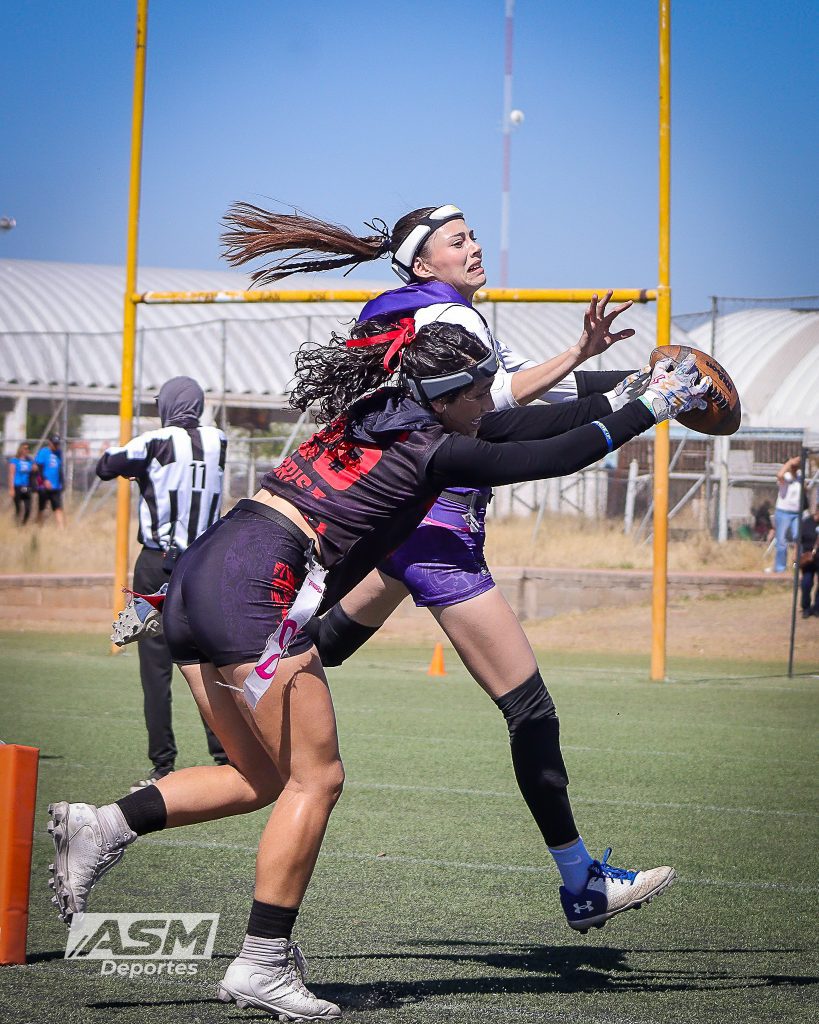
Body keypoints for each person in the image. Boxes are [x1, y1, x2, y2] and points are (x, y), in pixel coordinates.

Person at [48, 316, 708, 1021]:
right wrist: (654, 406)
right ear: (446, 397)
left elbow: (516, 428)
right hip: (253, 583)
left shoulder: (381, 409)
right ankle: (261, 963)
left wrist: (624, 392)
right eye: (479, 390)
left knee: (256, 776)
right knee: (318, 778)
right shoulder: (431, 449)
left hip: (205, 570)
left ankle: (105, 825)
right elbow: (551, 457)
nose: (488, 402)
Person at [223, 201, 661, 924]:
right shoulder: (448, 318)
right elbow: (503, 414)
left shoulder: (418, 313)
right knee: (528, 707)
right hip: (438, 520)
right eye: (459, 240)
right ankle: (579, 879)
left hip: (405, 512)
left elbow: (508, 392)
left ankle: (231, 706)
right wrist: (642, 399)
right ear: (423, 262)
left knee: (325, 639)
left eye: (473, 234)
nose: (475, 246)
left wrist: (607, 372)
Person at [95, 376, 229, 790]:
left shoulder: (155, 441)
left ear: (167, 405)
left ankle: (162, 764)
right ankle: (227, 756)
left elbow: (106, 465)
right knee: (209, 661)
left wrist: (139, 472)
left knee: (155, 667)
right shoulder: (219, 440)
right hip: (202, 565)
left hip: (157, 564)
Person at [772, 456, 802, 572]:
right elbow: (779, 475)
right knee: (781, 541)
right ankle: (780, 568)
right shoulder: (786, 476)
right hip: (783, 511)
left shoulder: (800, 477)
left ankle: (797, 566)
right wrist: (790, 462)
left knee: (798, 538)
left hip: (797, 513)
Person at [34, 433, 65, 527]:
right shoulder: (43, 452)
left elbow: (59, 469)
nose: (56, 445)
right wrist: (44, 480)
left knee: (58, 508)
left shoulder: (59, 453)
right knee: (41, 508)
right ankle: (38, 527)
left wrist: (62, 482)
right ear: (49, 442)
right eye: (54, 443)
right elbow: (38, 468)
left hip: (56, 486)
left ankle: (61, 530)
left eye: (57, 444)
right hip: (44, 486)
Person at [7, 441, 35, 525]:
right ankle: (16, 525)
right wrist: (11, 489)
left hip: (26, 487)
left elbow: (34, 471)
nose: (26, 450)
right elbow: (11, 474)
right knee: (18, 509)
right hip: (17, 486)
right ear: (20, 449)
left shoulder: (30, 461)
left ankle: (23, 525)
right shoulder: (15, 461)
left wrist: (35, 467)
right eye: (25, 448)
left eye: (28, 449)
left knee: (28, 509)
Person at [799, 506, 819, 618]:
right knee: (806, 584)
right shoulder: (807, 522)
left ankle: (817, 608)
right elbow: (799, 540)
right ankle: (806, 607)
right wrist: (796, 554)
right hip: (808, 559)